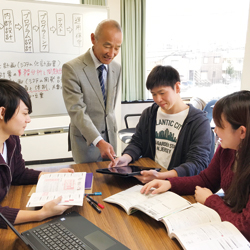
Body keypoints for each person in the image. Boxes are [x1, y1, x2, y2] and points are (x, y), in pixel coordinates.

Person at [141, 90, 250, 241]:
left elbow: (245, 227)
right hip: (228, 225)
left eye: (220, 126)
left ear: (242, 132)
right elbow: (206, 180)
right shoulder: (226, 149)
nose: (215, 131)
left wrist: (211, 200)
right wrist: (170, 184)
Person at [109, 65, 214, 183]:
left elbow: (197, 163)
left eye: (162, 93)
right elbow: (137, 142)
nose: (158, 99)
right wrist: (125, 158)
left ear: (177, 87)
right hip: (150, 181)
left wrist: (162, 176)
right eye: (154, 94)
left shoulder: (198, 122)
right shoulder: (149, 114)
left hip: (179, 185)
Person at [0, 79, 74, 229]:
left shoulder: (11, 139)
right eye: (24, 113)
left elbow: (18, 173)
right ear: (2, 112)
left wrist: (51, 176)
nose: (28, 120)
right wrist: (41, 214)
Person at [62, 19, 123, 164]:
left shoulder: (116, 68)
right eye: (107, 46)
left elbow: (109, 109)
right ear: (93, 39)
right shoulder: (72, 69)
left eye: (117, 48)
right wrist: (98, 141)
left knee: (111, 184)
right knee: (88, 183)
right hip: (86, 143)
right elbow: (76, 110)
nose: (112, 53)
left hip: (111, 141)